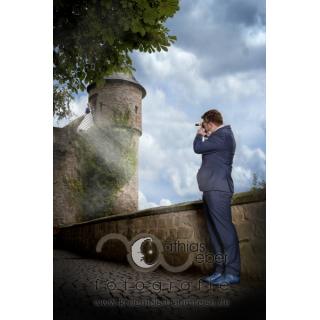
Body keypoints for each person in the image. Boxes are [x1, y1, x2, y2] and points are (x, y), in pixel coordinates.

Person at [193, 109, 241, 285]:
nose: (203, 127)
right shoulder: (218, 137)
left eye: (204, 124)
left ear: (209, 122)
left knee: (225, 232)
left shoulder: (223, 135)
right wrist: (206, 134)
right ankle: (221, 271)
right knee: (215, 234)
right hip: (210, 188)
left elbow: (198, 148)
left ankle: (233, 273)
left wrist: (200, 134)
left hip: (218, 189)